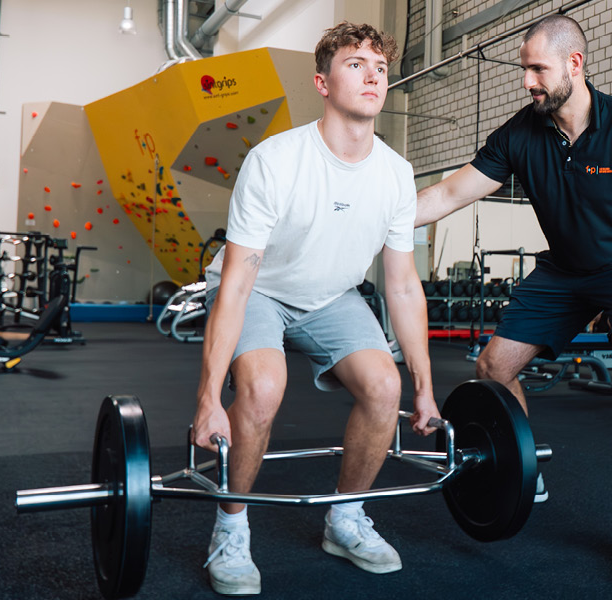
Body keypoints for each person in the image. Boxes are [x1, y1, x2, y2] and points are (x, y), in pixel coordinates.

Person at [414, 15, 612, 590]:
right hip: (563, 273)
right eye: (524, 69)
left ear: (575, 65)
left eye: (536, 69)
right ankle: (523, 472)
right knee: (493, 368)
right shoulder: (521, 133)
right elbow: (449, 192)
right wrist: (369, 215)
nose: (527, 81)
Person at [191, 22, 439, 596]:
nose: (372, 74)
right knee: (262, 388)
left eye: (379, 66)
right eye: (355, 64)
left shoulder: (396, 175)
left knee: (384, 387)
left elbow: (402, 286)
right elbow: (235, 283)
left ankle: (345, 518)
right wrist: (207, 399)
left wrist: (423, 385)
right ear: (322, 83)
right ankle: (231, 527)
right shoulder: (275, 161)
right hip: (260, 291)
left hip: (331, 297)